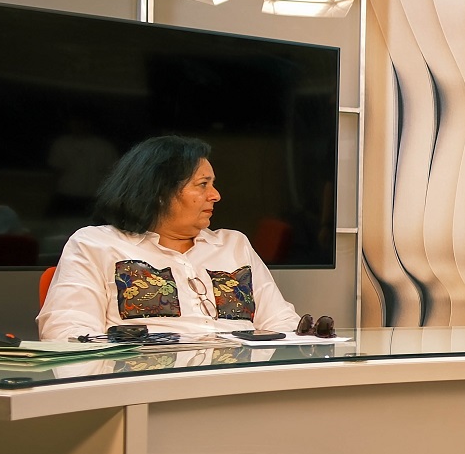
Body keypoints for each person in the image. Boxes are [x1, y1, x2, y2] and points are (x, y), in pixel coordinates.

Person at [38, 135, 301, 340]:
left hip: (239, 380)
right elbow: (67, 333)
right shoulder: (96, 244)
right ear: (160, 192)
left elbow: (282, 324)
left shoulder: (234, 245)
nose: (216, 195)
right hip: (146, 382)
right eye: (203, 184)